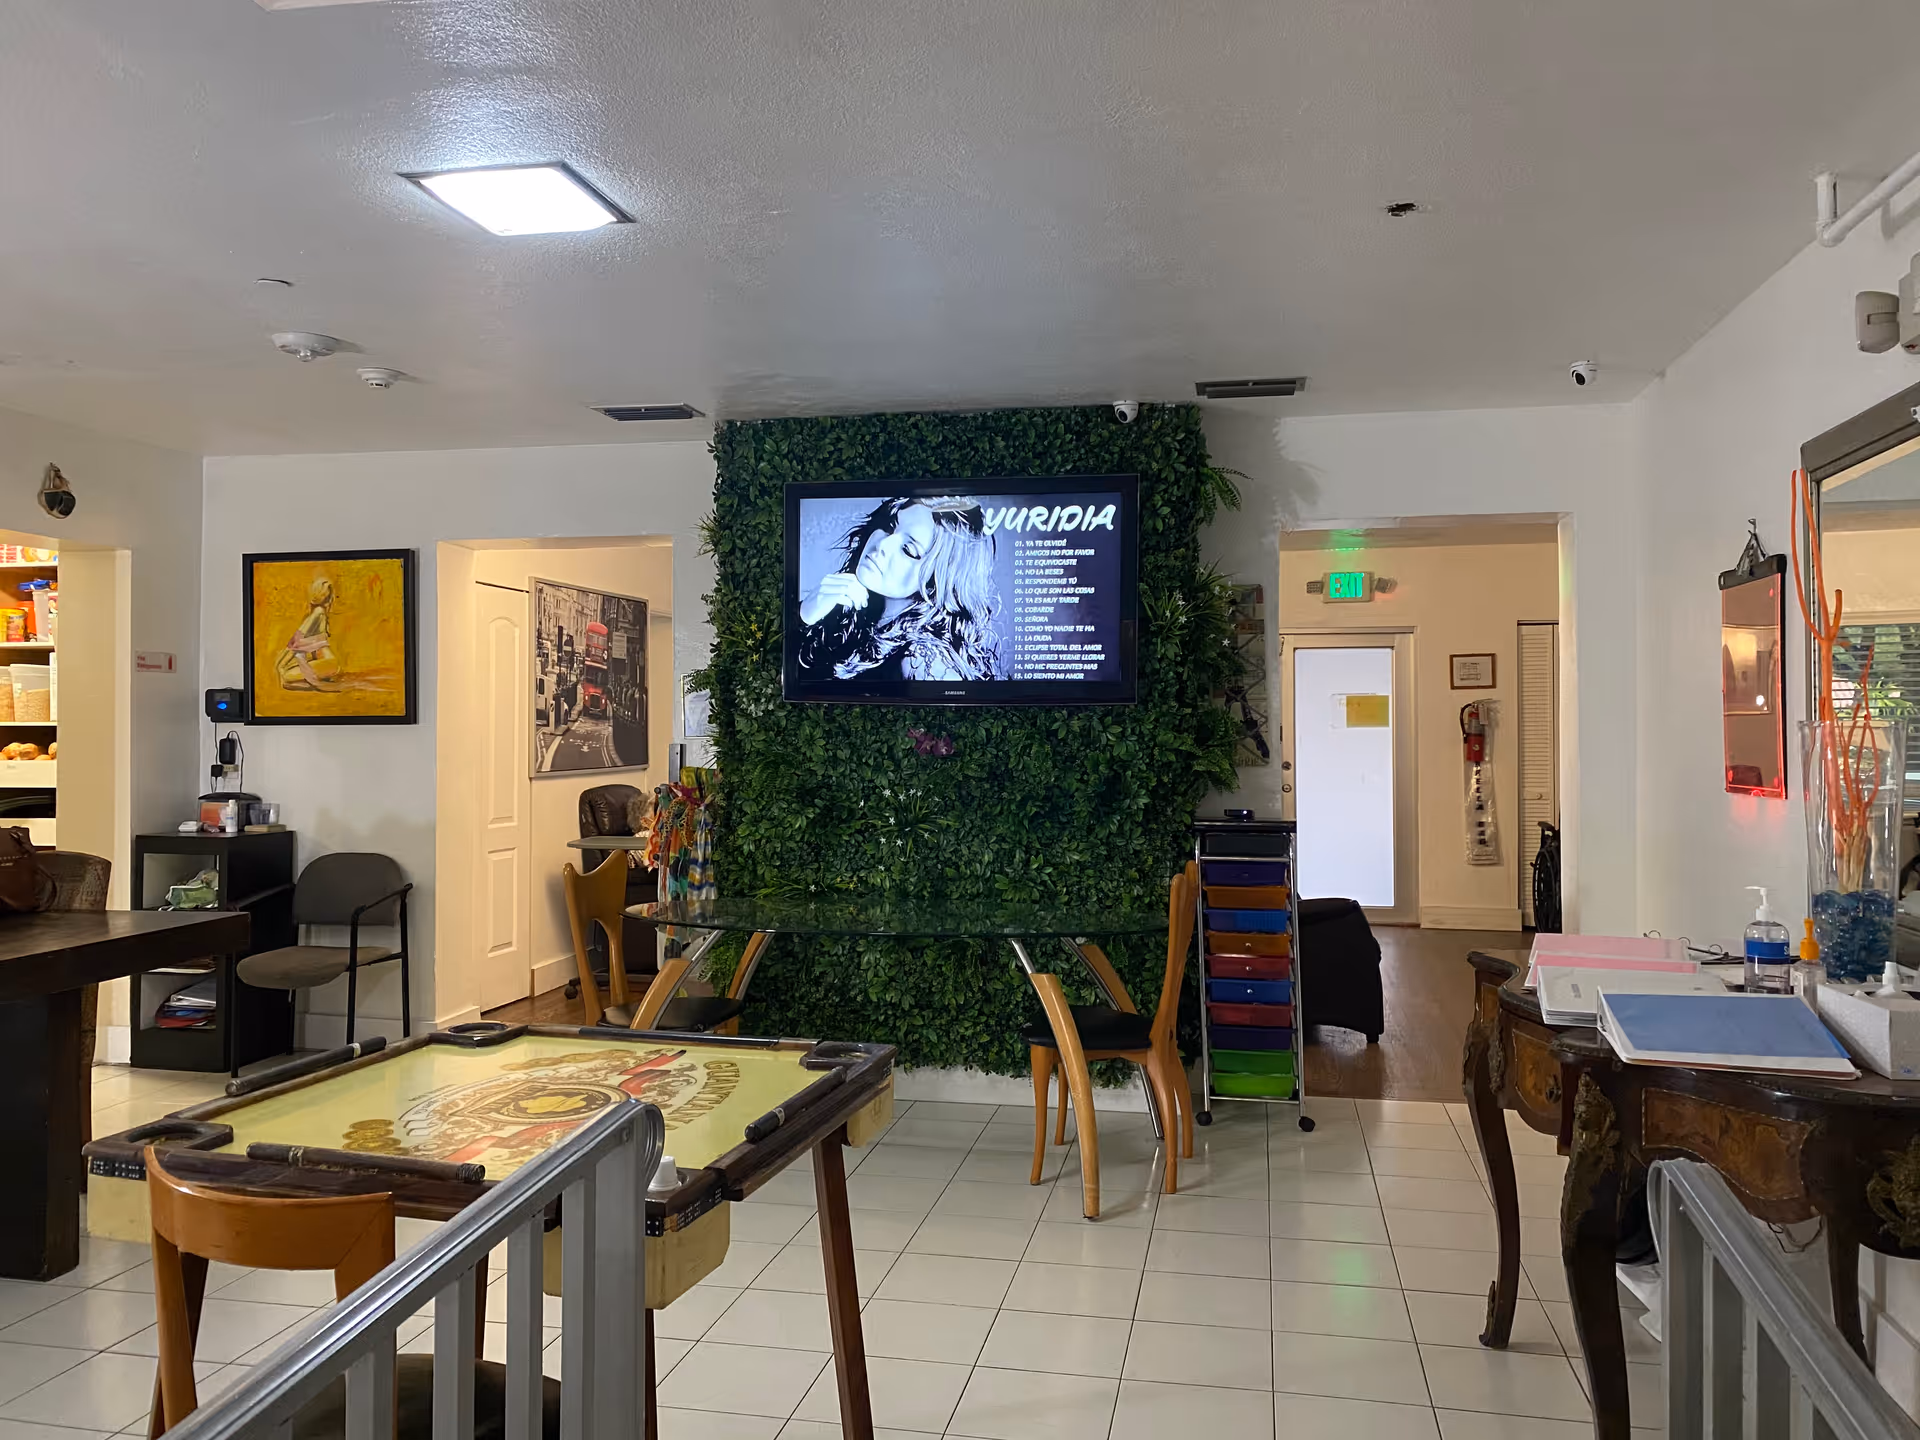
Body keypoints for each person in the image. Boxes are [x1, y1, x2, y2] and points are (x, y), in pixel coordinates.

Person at [796, 496, 1004, 681]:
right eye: (890, 526)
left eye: (908, 549)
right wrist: (803, 614)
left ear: (936, 582)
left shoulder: (922, 661)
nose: (883, 545)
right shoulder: (854, 619)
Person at [276, 577, 342, 691]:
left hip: (328, 663)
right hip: (328, 663)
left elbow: (297, 639)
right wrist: (281, 664)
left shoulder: (319, 612)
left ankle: (316, 680)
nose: (331, 598)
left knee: (286, 677)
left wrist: (281, 664)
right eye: (328, 595)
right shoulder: (319, 613)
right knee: (286, 677)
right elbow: (297, 639)